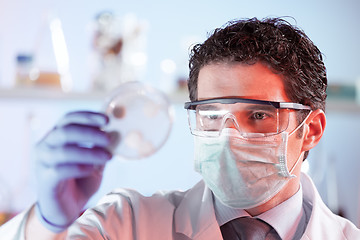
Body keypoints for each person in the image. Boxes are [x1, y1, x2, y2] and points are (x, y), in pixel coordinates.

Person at [1, 17, 360, 240]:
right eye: (212, 114)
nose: (228, 136)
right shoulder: (127, 224)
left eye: (259, 115)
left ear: (311, 129)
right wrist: (48, 223)